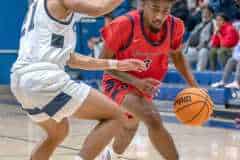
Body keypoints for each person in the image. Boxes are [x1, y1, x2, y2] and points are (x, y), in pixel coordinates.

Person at [10, 0, 147, 160]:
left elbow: (71, 59)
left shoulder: (45, 11)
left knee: (58, 133)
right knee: (116, 116)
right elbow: (100, 8)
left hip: (21, 82)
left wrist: (116, 64)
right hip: (44, 79)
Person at [99, 0, 200, 160]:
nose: (160, 16)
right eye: (155, 9)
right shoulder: (124, 24)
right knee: (152, 117)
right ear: (143, 4)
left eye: (165, 10)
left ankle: (109, 155)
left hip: (145, 86)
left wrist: (194, 86)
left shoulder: (175, 26)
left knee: (129, 128)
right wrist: (135, 82)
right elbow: (103, 63)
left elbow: (178, 56)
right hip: (117, 80)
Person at [184, 5, 214, 71]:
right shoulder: (199, 25)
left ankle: (200, 72)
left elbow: (213, 38)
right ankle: (188, 76)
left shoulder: (214, 24)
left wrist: (205, 45)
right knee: (183, 54)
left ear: (211, 14)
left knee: (203, 51)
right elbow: (191, 37)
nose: (204, 15)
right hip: (194, 48)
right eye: (203, 13)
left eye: (206, 13)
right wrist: (186, 47)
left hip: (205, 49)